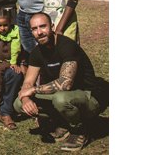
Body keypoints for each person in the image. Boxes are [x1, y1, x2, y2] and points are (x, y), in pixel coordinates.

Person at [14, 13, 108, 152]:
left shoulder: (67, 46)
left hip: (90, 96)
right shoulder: (36, 52)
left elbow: (65, 83)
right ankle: (63, 122)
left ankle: (80, 130)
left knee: (61, 99)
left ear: (52, 27)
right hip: (65, 95)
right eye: (34, 29)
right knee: (19, 103)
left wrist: (33, 90)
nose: (39, 32)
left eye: (43, 26)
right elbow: (28, 82)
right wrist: (26, 97)